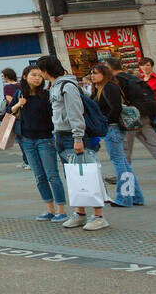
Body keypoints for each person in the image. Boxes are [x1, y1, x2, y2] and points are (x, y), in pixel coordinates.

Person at [37, 54, 108, 231]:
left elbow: (75, 113)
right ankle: (80, 213)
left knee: (87, 175)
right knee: (74, 177)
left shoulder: (67, 87)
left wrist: (78, 137)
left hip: (72, 136)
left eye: (41, 70)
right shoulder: (55, 86)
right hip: (61, 134)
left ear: (47, 70)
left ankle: (98, 215)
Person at [104, 57, 156, 184]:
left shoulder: (117, 80)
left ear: (110, 68)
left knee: (125, 147)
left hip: (129, 117)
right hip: (143, 115)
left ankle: (122, 174)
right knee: (154, 144)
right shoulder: (132, 78)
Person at [9, 65, 66, 221]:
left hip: (45, 140)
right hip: (26, 141)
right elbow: (6, 113)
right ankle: (50, 210)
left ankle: (61, 210)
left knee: (52, 175)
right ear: (25, 76)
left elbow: (54, 116)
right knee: (39, 177)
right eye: (34, 75)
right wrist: (19, 104)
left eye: (40, 76)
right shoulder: (19, 94)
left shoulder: (46, 95)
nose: (37, 78)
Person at [88, 63, 144, 209]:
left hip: (113, 128)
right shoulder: (99, 89)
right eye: (91, 73)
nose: (92, 76)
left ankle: (125, 198)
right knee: (123, 162)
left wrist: (105, 122)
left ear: (104, 74)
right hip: (111, 128)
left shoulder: (109, 87)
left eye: (95, 73)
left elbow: (116, 108)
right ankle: (135, 196)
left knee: (119, 162)